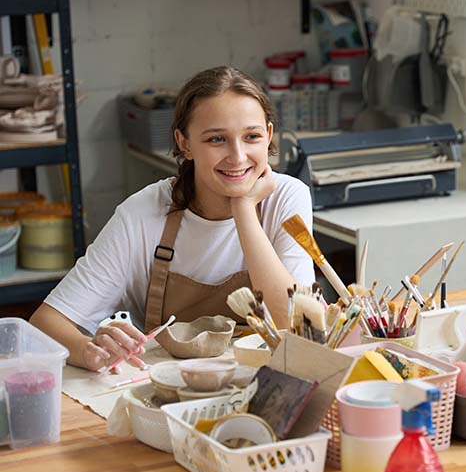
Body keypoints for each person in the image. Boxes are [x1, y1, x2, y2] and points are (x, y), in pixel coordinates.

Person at [31, 66, 316, 371]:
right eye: (216, 139)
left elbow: (298, 325)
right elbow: (44, 324)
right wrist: (89, 350)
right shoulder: (141, 215)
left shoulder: (286, 197)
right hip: (166, 393)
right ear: (184, 143)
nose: (238, 155)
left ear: (269, 135)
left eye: (252, 137)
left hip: (261, 387)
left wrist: (244, 210)